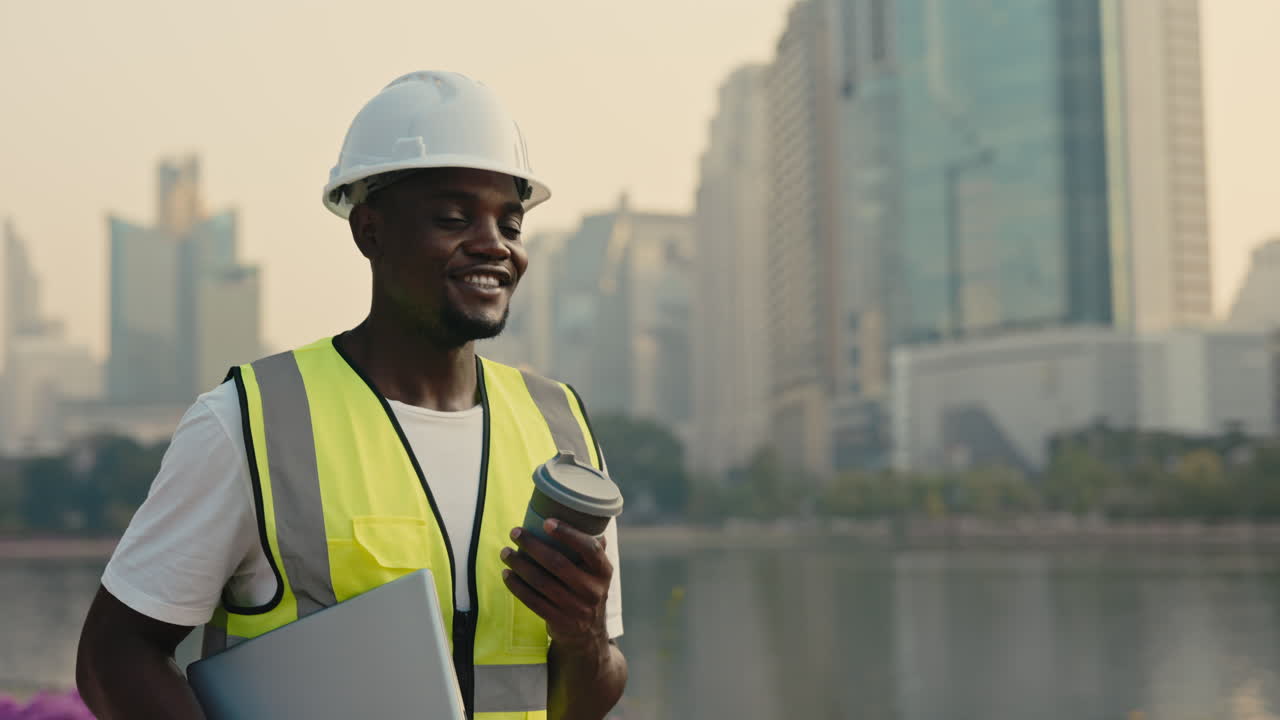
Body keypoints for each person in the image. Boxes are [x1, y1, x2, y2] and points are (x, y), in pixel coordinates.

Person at [76, 71, 628, 720]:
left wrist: (586, 639)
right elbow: (115, 656)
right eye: (453, 218)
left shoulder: (560, 431)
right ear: (370, 231)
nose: (493, 245)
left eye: (510, 224)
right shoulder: (252, 423)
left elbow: (587, 696)